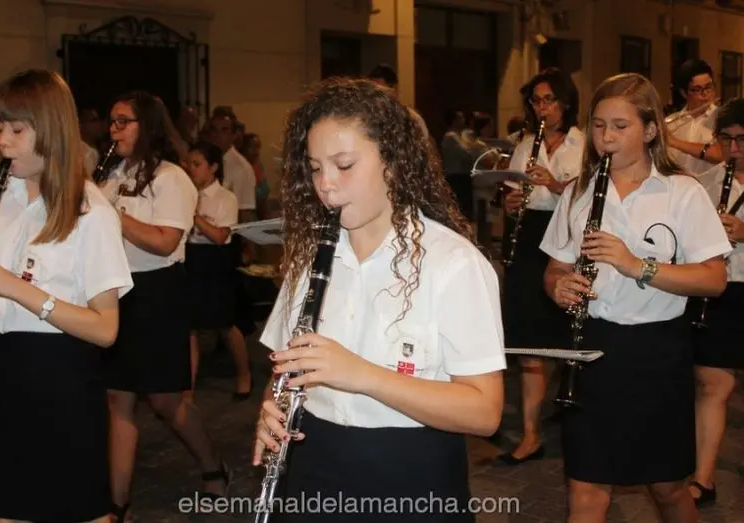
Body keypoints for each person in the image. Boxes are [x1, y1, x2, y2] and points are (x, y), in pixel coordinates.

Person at [252, 77, 506, 522]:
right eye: (315, 168)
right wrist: (270, 407)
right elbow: (285, 366)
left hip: (410, 474)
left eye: (344, 165)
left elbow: (484, 411)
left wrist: (362, 374)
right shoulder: (310, 256)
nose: (325, 185)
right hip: (314, 459)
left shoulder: (453, 264)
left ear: (392, 161)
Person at [541, 72, 730, 522]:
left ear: (649, 130)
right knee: (586, 491)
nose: (606, 137)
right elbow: (554, 268)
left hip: (656, 351)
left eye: (620, 126)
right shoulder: (580, 191)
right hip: (592, 350)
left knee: (667, 488)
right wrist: (559, 286)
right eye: (599, 125)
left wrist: (636, 266)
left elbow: (714, 279)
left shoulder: (681, 192)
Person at [0, 69, 133, 523]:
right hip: (8, 372)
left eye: (17, 130)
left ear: (51, 131)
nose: (3, 141)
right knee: (5, 511)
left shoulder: (90, 211)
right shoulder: (4, 199)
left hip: (63, 379)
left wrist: (11, 284)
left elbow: (106, 329)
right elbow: (3, 312)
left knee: (78, 511)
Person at [98, 91, 231, 522]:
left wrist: (111, 215)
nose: (113, 129)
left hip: (158, 293)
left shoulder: (172, 177)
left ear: (148, 126)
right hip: (117, 290)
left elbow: (165, 242)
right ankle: (118, 503)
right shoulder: (111, 174)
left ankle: (213, 467)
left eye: (123, 121)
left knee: (165, 402)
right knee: (117, 399)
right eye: (112, 121)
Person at [499, 67, 583, 464]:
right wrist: (511, 203)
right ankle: (531, 434)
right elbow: (512, 194)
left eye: (549, 100)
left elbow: (591, 198)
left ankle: (572, 408)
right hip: (529, 237)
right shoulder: (525, 144)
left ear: (565, 102)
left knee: (566, 334)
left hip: (568, 238)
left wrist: (554, 184)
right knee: (529, 338)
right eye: (535, 101)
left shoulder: (584, 144)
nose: (542, 108)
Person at [686, 96, 744, 507]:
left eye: (742, 140)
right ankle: (703, 478)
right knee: (712, 383)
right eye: (727, 139)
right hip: (721, 290)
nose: (734, 149)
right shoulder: (705, 183)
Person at [184, 140, 252, 401]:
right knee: (190, 326)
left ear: (213, 167)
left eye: (197, 164)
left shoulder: (226, 197)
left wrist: (194, 216)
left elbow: (221, 236)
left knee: (225, 324)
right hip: (191, 259)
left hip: (214, 262)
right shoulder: (186, 193)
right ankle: (188, 388)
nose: (191, 169)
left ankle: (244, 375)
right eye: (189, 164)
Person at [667, 59, 722, 175]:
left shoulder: (723, 119)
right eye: (697, 89)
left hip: (710, 186)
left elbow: (720, 154)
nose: (705, 94)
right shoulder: (670, 123)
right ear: (684, 93)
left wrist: (674, 142)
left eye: (708, 87)